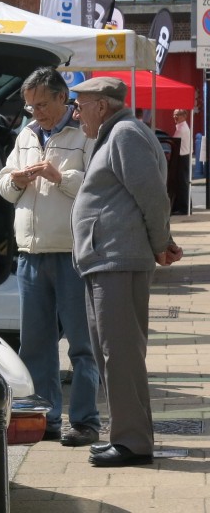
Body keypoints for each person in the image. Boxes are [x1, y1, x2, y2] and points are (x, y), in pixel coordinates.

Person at [70, 76, 183, 467]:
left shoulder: (124, 135)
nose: (76, 111)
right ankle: (126, 436)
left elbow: (152, 195)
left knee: (119, 353)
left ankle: (133, 442)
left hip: (118, 259)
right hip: (107, 259)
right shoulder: (119, 133)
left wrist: (159, 243)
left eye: (80, 104)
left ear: (102, 105)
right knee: (111, 354)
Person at [0, 67, 100, 447]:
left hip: (72, 253)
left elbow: (95, 187)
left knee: (82, 343)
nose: (35, 113)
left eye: (42, 104)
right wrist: (16, 181)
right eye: (30, 106)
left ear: (62, 97)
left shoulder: (84, 132)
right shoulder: (26, 134)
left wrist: (60, 177)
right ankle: (46, 418)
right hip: (31, 253)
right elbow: (5, 186)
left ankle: (86, 421)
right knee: (35, 345)